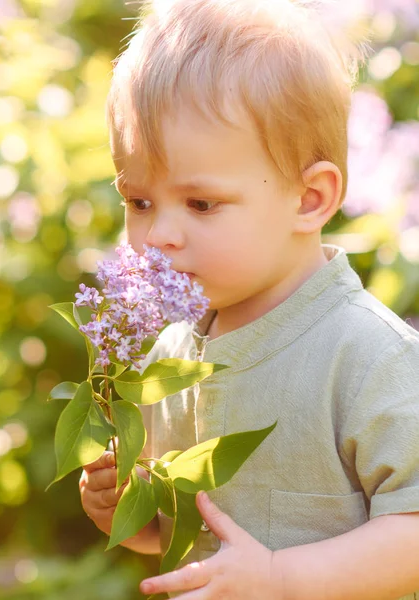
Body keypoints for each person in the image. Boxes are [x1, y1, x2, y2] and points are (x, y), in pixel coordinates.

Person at [78, 0, 419, 598]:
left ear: (310, 198)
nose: (158, 234)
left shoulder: (368, 356)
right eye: (139, 201)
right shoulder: (171, 357)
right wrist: (131, 511)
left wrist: (282, 579)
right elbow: (194, 526)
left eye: (201, 203)